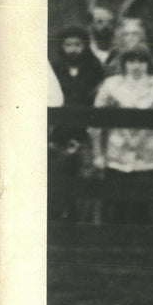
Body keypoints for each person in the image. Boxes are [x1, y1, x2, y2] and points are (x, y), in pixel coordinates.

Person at [92, 44, 153, 225]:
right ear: (124, 63)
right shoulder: (111, 85)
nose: (136, 66)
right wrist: (98, 154)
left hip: (150, 156)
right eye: (131, 61)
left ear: (148, 64)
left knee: (143, 209)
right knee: (115, 209)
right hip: (117, 155)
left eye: (141, 61)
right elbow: (94, 122)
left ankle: (144, 251)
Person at [49, 26, 105, 220]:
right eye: (68, 44)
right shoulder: (55, 68)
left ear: (85, 45)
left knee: (84, 178)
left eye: (77, 44)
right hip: (59, 132)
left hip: (85, 132)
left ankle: (82, 223)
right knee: (59, 176)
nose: (73, 49)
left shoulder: (94, 67)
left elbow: (97, 99)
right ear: (62, 46)